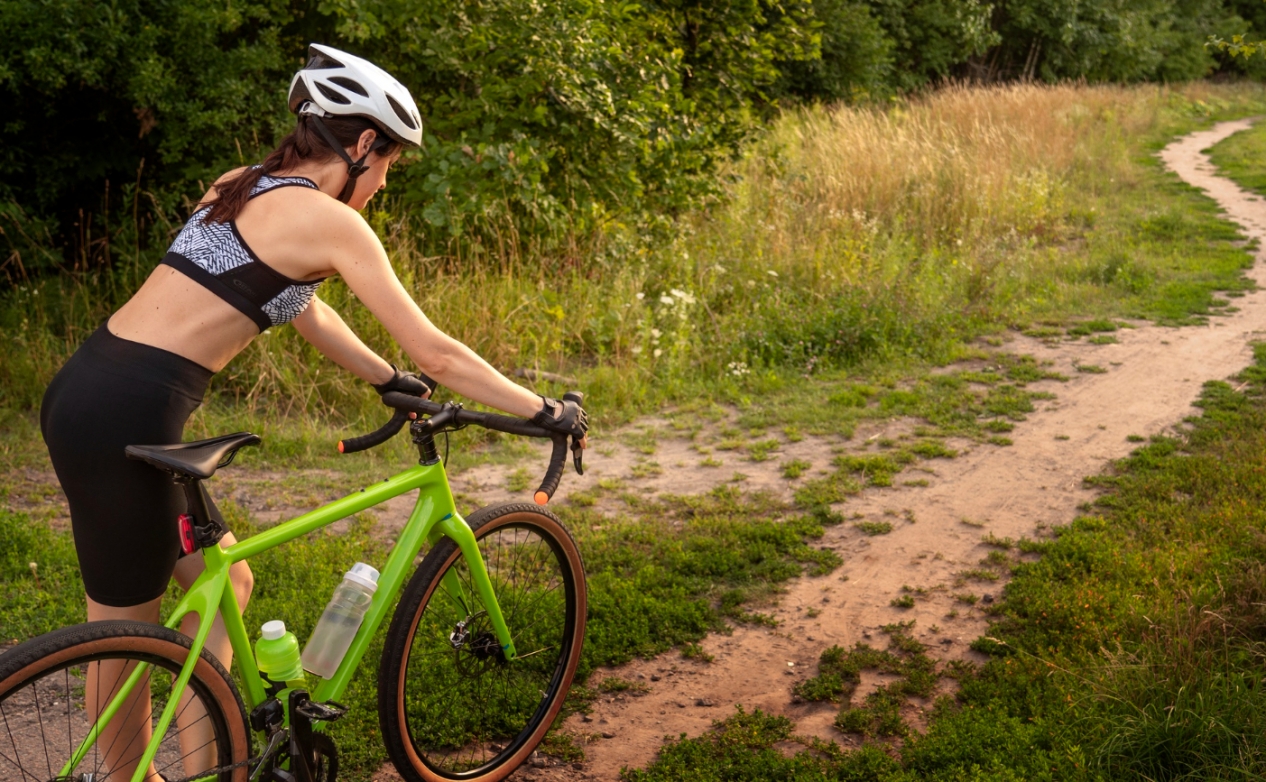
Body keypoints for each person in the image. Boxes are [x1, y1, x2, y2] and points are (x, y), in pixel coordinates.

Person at [38, 43, 588, 781]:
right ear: (361, 144)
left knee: (224, 583)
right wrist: (545, 409)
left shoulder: (242, 185)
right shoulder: (333, 222)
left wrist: (382, 377)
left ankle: (221, 768)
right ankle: (128, 776)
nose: (386, 182)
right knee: (124, 637)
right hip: (127, 414)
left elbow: (296, 307)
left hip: (93, 388)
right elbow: (441, 353)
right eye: (389, 162)